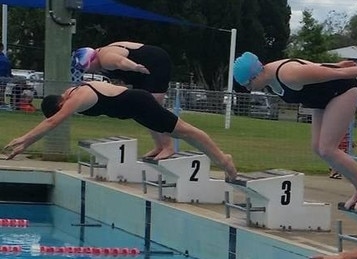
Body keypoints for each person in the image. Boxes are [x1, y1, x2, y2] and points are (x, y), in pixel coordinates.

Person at [232, 52, 357, 211]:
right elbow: (314, 66)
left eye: (248, 84)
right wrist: (336, 64)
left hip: (342, 91)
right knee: (317, 148)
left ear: (255, 76)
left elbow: (336, 74)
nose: (248, 89)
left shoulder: (287, 73)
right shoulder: (268, 74)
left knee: (328, 148)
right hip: (321, 99)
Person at [2, 81, 237, 181]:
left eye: (60, 112)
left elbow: (52, 123)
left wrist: (24, 140)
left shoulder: (77, 97)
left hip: (139, 105)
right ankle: (163, 147)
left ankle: (223, 159)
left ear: (61, 105)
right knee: (180, 133)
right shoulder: (69, 94)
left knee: (187, 132)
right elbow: (53, 119)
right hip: (135, 110)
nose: (64, 114)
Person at [71, 41, 174, 160]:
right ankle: (160, 146)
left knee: (153, 108)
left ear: (92, 60)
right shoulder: (100, 53)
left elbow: (121, 62)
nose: (88, 71)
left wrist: (135, 67)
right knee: (144, 109)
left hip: (155, 63)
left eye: (86, 67)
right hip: (143, 70)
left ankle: (168, 147)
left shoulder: (105, 58)